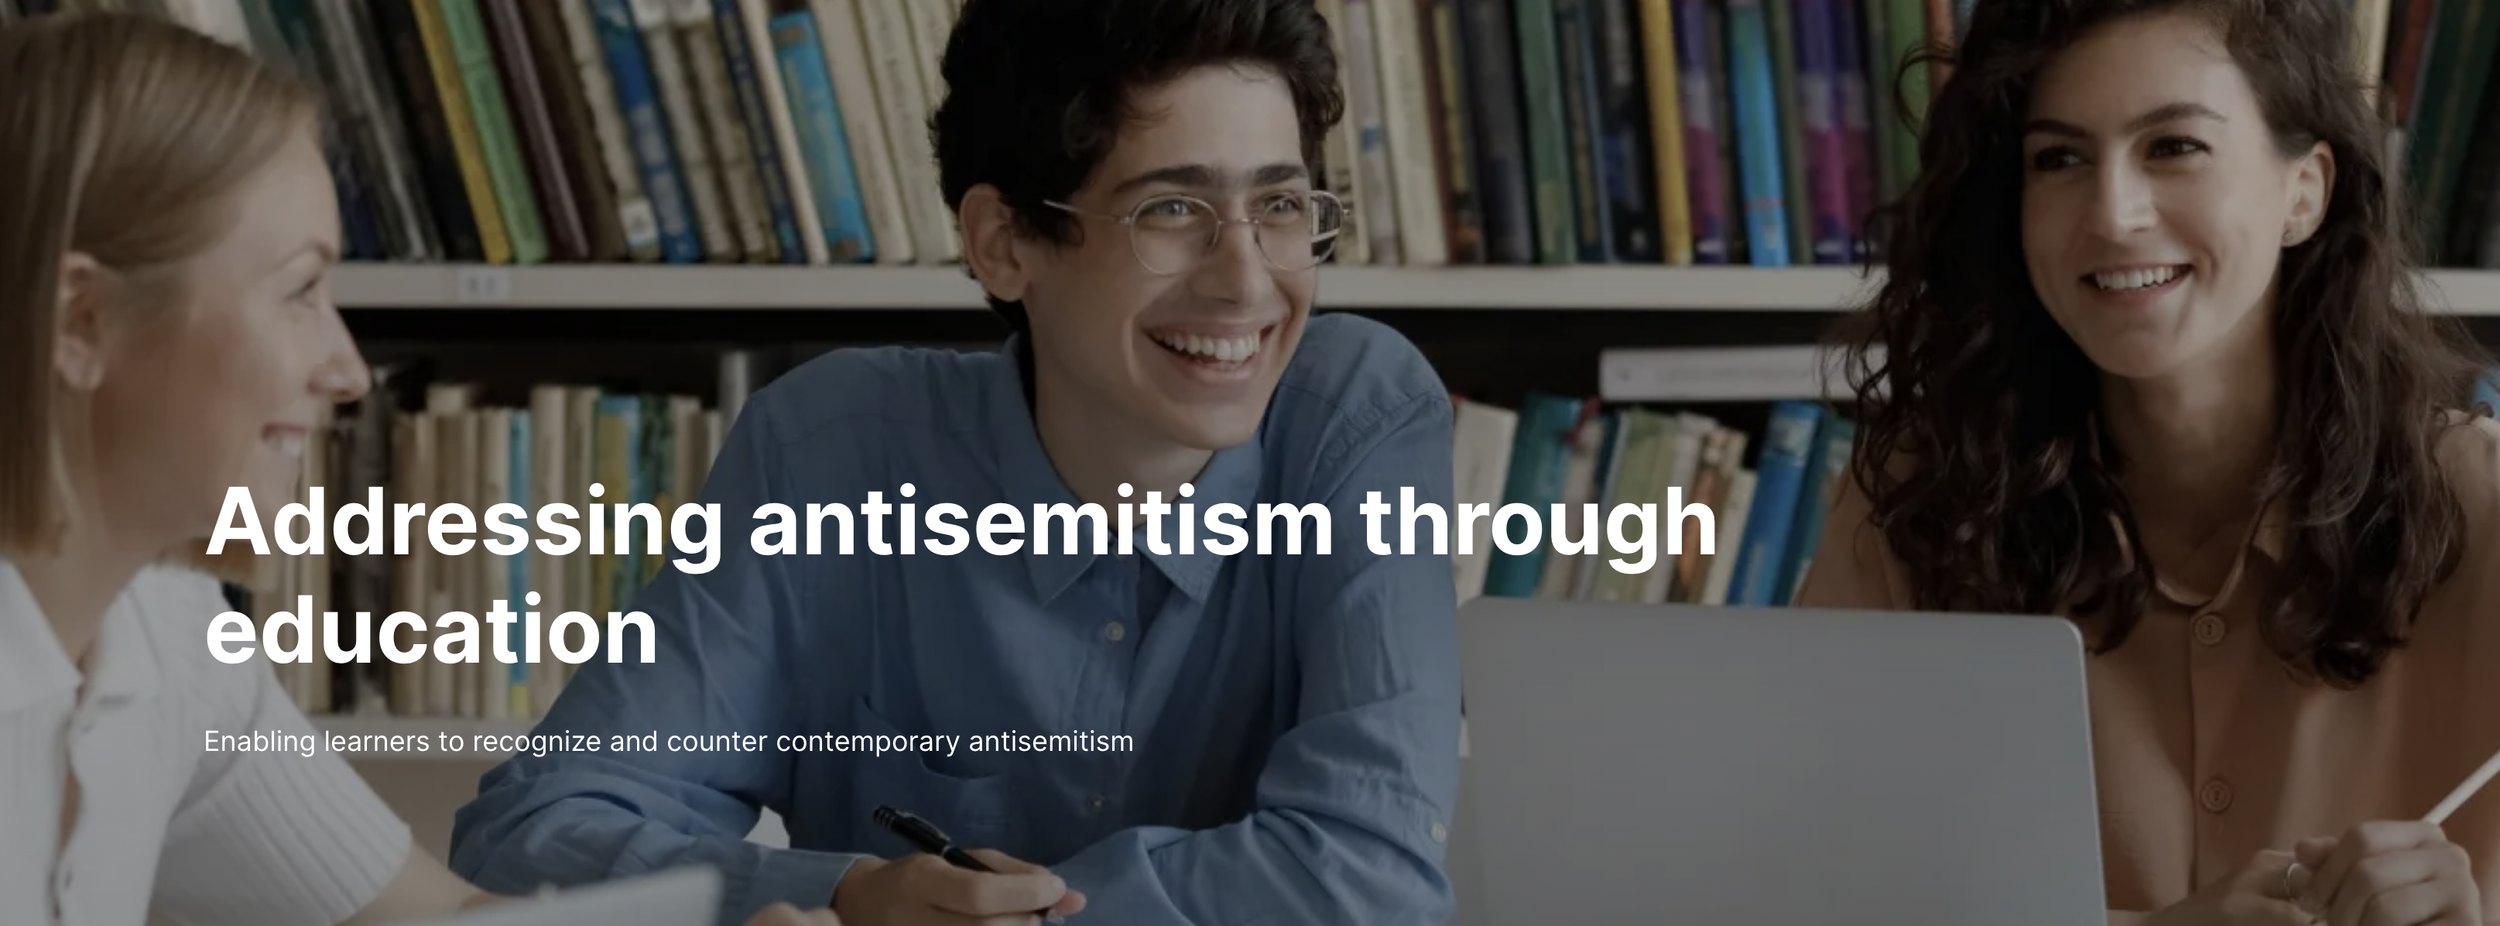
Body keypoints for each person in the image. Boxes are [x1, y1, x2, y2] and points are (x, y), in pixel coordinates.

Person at [445, 1, 1462, 925]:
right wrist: (851, 893)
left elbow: (1368, 879)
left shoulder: (1356, 417)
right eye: (1171, 211)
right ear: (1002, 241)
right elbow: (534, 827)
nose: (1247, 283)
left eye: (1281, 208)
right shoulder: (830, 451)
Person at [0, 12, 842, 926]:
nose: (349, 371)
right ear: (80, 321)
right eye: (298, 291)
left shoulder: (164, 626)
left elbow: (447, 921)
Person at [1796, 0, 2500, 923]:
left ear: (2306, 191)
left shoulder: (2480, 508)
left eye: (2173, 147)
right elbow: (1807, 888)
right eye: (2059, 159)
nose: (2114, 213)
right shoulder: (1912, 508)